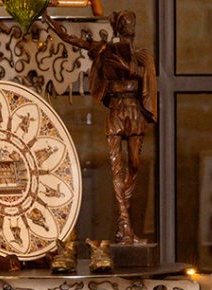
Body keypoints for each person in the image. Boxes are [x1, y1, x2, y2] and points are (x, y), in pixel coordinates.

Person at [44, 11, 157, 245]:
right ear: (118, 27)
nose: (129, 25)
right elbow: (73, 39)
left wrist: (125, 65)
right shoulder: (105, 51)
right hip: (116, 110)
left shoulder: (142, 56)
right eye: (125, 22)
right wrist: (48, 20)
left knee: (134, 165)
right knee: (117, 168)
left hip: (134, 112)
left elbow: (143, 76)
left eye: (131, 22)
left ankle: (122, 224)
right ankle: (126, 225)